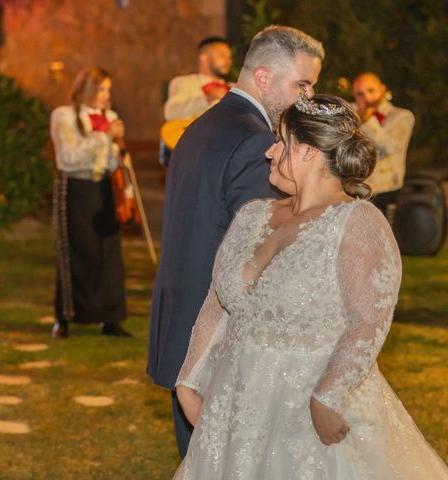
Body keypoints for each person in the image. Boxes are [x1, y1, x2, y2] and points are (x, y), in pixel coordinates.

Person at [173, 93, 448, 479]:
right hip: (237, 402)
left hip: (307, 406)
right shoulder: (252, 215)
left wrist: (327, 397)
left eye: (280, 142)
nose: (270, 153)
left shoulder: (357, 222)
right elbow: (216, 304)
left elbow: (368, 319)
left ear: (306, 152)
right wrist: (188, 382)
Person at [148, 26, 324, 457]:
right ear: (263, 78)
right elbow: (257, 253)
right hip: (217, 338)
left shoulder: (203, 125)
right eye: (301, 84)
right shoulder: (256, 141)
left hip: (181, 324)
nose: (307, 98)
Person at [50, 67, 131, 338]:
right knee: (74, 251)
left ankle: (110, 318)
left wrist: (117, 150)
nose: (106, 95)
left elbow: (108, 161)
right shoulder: (64, 116)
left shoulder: (110, 117)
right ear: (86, 88)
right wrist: (102, 138)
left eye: (108, 89)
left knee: (108, 252)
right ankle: (65, 318)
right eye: (101, 89)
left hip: (103, 187)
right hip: (74, 187)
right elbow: (68, 157)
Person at [159, 37, 233, 166]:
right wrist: (206, 99)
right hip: (192, 157)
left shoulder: (235, 88)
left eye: (229, 57)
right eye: (222, 55)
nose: (228, 61)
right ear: (203, 57)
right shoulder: (184, 82)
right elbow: (170, 112)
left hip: (225, 156)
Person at [352, 72, 414, 220]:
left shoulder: (402, 116)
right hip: (356, 189)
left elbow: (388, 147)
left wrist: (367, 120)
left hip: (386, 190)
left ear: (382, 89)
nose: (366, 98)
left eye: (371, 91)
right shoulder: (351, 116)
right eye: (360, 94)